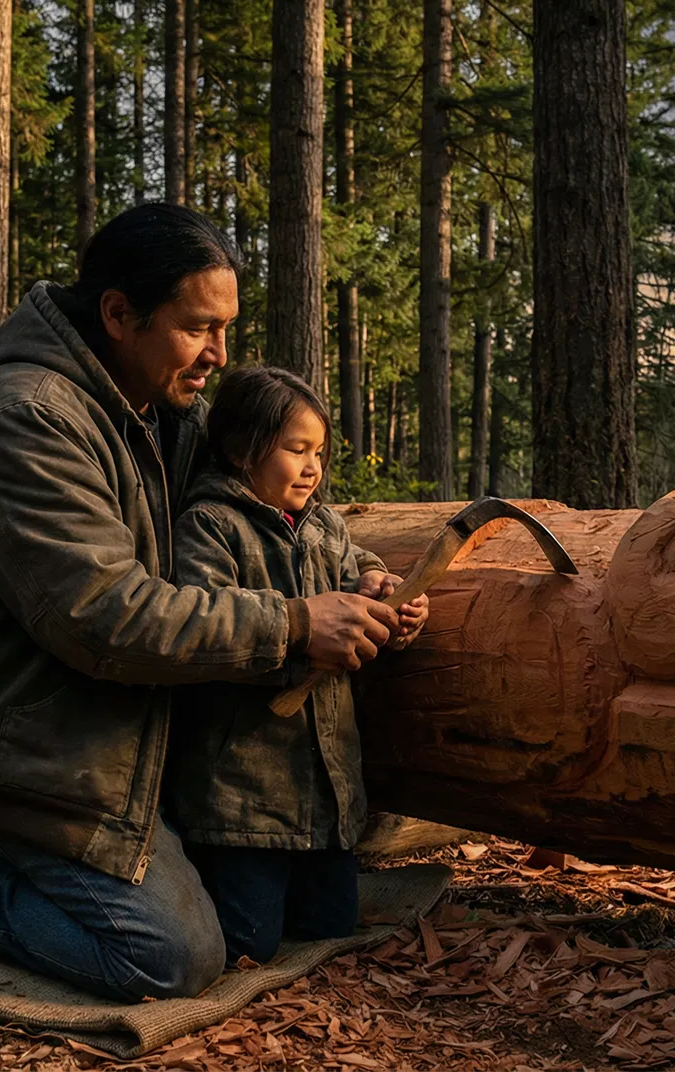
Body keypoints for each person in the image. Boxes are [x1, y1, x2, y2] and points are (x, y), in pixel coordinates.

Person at [0, 204, 405, 1002]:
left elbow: (270, 505)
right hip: (36, 760)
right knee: (172, 958)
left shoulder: (164, 408)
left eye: (225, 329)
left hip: (134, 743)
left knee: (255, 911)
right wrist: (294, 623)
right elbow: (105, 617)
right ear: (118, 313)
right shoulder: (28, 420)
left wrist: (359, 578)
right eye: (198, 329)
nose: (219, 354)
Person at [166, 367, 429, 965]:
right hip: (241, 797)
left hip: (325, 794)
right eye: (295, 450)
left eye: (319, 452)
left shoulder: (324, 524)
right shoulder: (211, 525)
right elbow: (207, 621)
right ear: (241, 449)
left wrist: (384, 592)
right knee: (246, 944)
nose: (312, 467)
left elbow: (355, 569)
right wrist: (297, 637)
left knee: (329, 927)